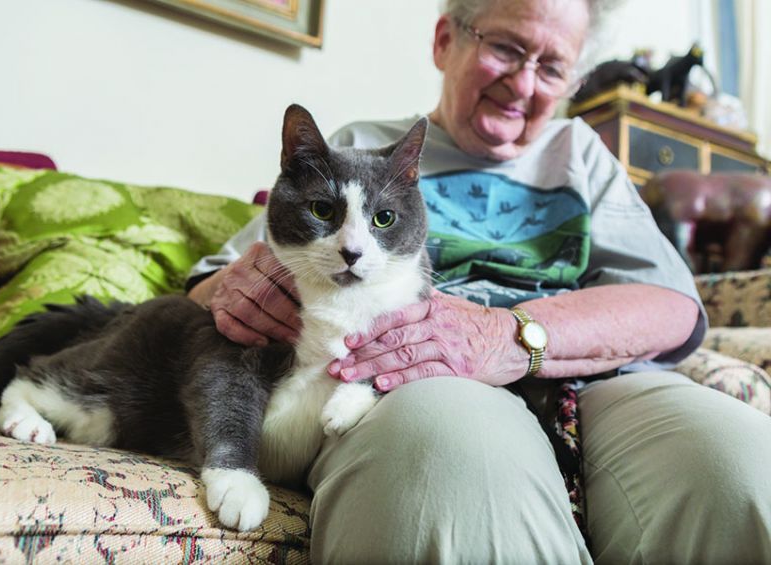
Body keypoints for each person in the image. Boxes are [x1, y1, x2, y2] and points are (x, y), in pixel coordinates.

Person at [187, 0, 771, 562]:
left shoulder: (582, 156)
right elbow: (211, 285)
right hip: (408, 381)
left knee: (740, 465)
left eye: (552, 66)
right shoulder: (362, 147)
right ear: (446, 41)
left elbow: (672, 307)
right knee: (447, 463)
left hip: (589, 382)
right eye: (507, 48)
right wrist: (239, 292)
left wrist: (508, 336)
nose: (523, 83)